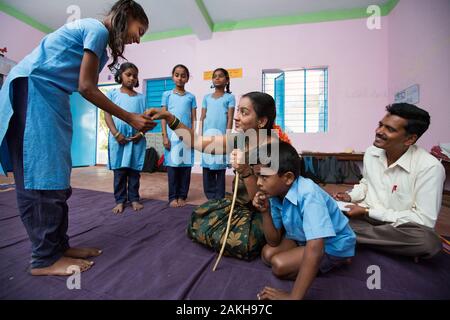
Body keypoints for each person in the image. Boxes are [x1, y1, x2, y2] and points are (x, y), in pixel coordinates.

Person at [0, 0, 155, 276]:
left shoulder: (101, 46)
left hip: (52, 97)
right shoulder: (96, 30)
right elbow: (86, 87)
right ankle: (44, 258)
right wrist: (130, 118)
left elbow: (82, 85)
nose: (138, 40)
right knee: (40, 175)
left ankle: (59, 246)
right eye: (139, 30)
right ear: (128, 14)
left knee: (56, 176)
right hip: (33, 90)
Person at [147, 92, 288, 260]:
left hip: (263, 211)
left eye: (244, 112)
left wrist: (245, 171)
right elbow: (196, 142)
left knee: (240, 243)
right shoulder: (240, 140)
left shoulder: (274, 150)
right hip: (239, 203)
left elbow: (260, 200)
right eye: (237, 111)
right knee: (198, 218)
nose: (236, 117)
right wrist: (170, 118)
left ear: (262, 121)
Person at [334, 103, 445, 259]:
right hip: (364, 221)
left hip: (399, 228)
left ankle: (346, 236)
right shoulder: (372, 153)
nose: (379, 131)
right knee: (326, 211)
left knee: (428, 241)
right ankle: (373, 242)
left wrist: (368, 211)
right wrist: (351, 196)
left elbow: (424, 220)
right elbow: (367, 183)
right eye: (381, 125)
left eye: (390, 129)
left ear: (410, 139)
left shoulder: (430, 167)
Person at [252, 141, 356, 300]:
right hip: (302, 237)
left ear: (287, 178)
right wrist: (265, 211)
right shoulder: (275, 193)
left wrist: (293, 297)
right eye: (257, 175)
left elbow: (316, 249)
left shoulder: (309, 194)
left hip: (332, 243)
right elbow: (273, 241)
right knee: (267, 254)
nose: (258, 183)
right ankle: (307, 259)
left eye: (264, 177)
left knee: (279, 265)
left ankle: (340, 258)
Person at [104, 62, 146, 214]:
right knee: (120, 172)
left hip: (136, 140)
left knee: (134, 172)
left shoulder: (142, 98)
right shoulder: (112, 94)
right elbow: (107, 114)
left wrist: (141, 134)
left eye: (135, 76)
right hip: (118, 139)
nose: (132, 78)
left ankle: (134, 199)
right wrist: (116, 133)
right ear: (120, 75)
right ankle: (120, 200)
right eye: (128, 75)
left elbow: (146, 119)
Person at [160, 64, 197, 208]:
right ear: (172, 76)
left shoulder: (191, 97)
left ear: (187, 78)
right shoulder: (167, 95)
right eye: (177, 74)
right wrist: (164, 136)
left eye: (183, 75)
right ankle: (172, 197)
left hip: (187, 137)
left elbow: (194, 118)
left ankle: (182, 196)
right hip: (172, 138)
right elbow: (163, 117)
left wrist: (193, 135)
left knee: (185, 167)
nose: (180, 78)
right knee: (173, 168)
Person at [199, 68, 235, 200]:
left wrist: (227, 135)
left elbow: (230, 117)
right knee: (207, 166)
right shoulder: (206, 98)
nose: (217, 78)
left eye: (220, 76)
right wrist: (200, 134)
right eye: (215, 76)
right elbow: (202, 116)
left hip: (221, 136)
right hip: (207, 135)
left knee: (219, 166)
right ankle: (209, 196)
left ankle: (219, 196)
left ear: (227, 80)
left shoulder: (229, 97)